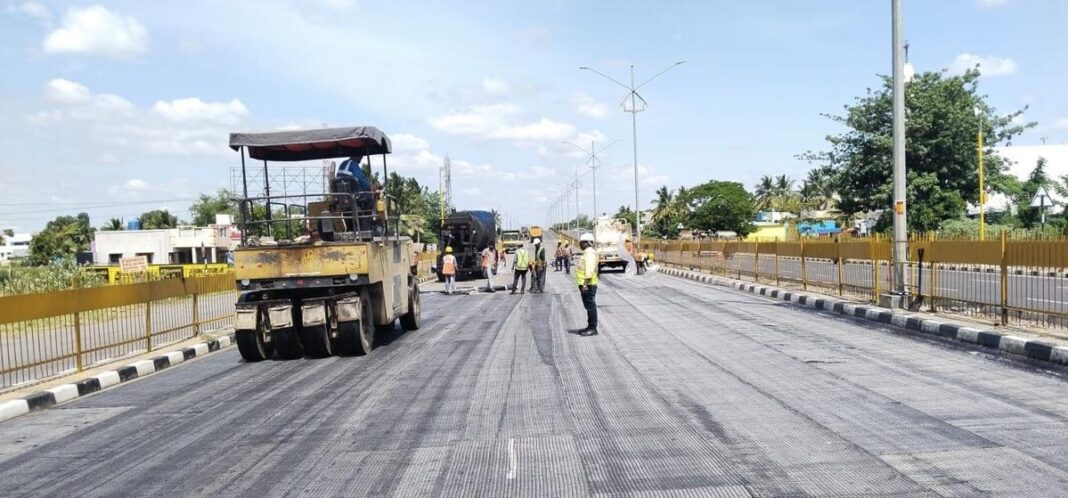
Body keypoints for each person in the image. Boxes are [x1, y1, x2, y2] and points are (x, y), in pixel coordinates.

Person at [574, 233, 599, 336]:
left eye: (581, 243)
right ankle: (590, 326)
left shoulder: (589, 254)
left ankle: (592, 328)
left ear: (586, 243)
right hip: (586, 284)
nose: (580, 244)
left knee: (590, 306)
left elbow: (588, 271)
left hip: (588, 284)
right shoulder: (587, 253)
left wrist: (584, 285)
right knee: (588, 306)